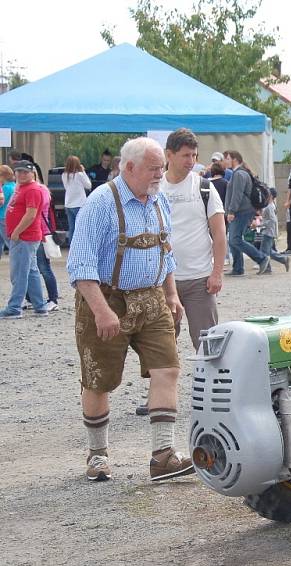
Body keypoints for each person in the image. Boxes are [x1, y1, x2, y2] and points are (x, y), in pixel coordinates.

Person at [66, 136, 194, 483]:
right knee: (98, 379)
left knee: (167, 369)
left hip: (151, 297)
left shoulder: (158, 200)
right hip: (107, 300)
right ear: (129, 167)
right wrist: (101, 311)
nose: (159, 174)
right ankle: (97, 455)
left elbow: (166, 252)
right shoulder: (100, 203)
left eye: (160, 168)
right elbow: (80, 265)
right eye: (153, 169)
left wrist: (171, 294)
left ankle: (163, 456)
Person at [161, 128, 226, 351]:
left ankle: (208, 386)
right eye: (186, 155)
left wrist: (217, 273)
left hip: (199, 280)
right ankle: (166, 386)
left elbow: (219, 234)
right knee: (162, 348)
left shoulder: (204, 187)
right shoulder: (154, 188)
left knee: (208, 346)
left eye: (194, 155)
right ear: (169, 155)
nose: (191, 161)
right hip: (162, 280)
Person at [0, 161, 49, 318]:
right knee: (31, 271)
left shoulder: (33, 189)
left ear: (32, 172)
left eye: (24, 172)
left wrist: (16, 232)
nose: (21, 175)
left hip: (24, 237)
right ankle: (40, 306)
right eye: (18, 172)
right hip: (25, 236)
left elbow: (31, 214)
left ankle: (14, 308)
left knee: (19, 273)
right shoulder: (21, 187)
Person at [224, 150, 270, 276]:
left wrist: (231, 211)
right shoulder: (241, 173)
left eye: (227, 158)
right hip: (243, 210)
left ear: (234, 159)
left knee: (235, 239)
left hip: (241, 211)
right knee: (234, 239)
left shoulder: (239, 174)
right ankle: (238, 268)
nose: (225, 161)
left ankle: (261, 258)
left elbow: (237, 194)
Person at [33, 178, 60, 312]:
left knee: (44, 268)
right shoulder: (43, 190)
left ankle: (53, 299)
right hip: (38, 233)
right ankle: (34, 298)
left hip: (41, 233)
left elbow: (38, 214)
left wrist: (42, 234)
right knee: (37, 268)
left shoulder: (40, 191)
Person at [62, 155, 92, 245]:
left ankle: (72, 246)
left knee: (72, 228)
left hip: (68, 204)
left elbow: (66, 187)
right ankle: (81, 246)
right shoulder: (79, 175)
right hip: (79, 204)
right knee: (81, 227)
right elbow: (88, 185)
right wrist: (83, 172)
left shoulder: (64, 175)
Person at [259, 189, 290, 272]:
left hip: (268, 231)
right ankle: (283, 259)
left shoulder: (270, 206)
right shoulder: (270, 206)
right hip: (268, 231)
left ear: (271, 196)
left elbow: (272, 220)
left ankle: (267, 268)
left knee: (264, 251)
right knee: (268, 251)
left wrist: (261, 224)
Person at [0, 165, 15, 261]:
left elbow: (1, 202)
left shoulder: (5, 188)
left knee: (8, 241)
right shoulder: (14, 185)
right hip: (9, 216)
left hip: (2, 217)